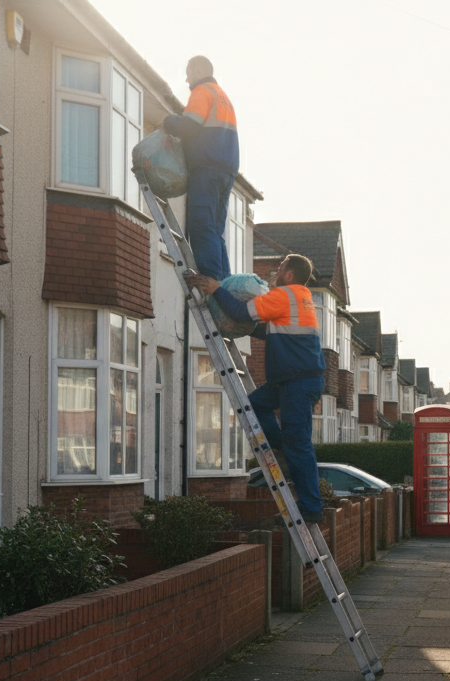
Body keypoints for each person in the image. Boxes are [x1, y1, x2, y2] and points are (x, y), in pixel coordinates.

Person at [186, 254, 325, 523]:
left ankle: (311, 507)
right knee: (255, 404)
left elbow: (242, 312)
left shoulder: (284, 295)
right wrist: (235, 327)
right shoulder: (300, 298)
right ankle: (282, 448)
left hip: (297, 382)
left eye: (280, 267)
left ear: (289, 275)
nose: (275, 272)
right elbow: (265, 330)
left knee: (300, 445)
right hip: (293, 380)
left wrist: (217, 290)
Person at [164, 55, 239, 282]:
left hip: (206, 167)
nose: (187, 80)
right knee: (215, 231)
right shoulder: (223, 97)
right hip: (225, 170)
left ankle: (211, 281)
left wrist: (169, 121)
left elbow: (190, 125)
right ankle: (223, 284)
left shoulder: (202, 91)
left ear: (197, 71)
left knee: (200, 225)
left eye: (188, 74)